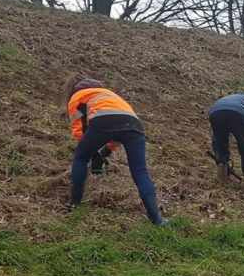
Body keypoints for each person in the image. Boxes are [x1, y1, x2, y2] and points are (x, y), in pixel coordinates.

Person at [65, 76, 167, 226]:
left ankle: (75, 204)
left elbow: (79, 131)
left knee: (80, 158)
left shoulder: (77, 96)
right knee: (140, 173)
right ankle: (157, 219)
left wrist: (93, 154)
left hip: (102, 121)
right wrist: (106, 151)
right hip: (134, 125)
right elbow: (119, 126)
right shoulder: (111, 96)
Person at [208, 93, 244, 195]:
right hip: (238, 113)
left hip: (214, 112)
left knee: (220, 145)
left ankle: (222, 182)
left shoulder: (234, 98)